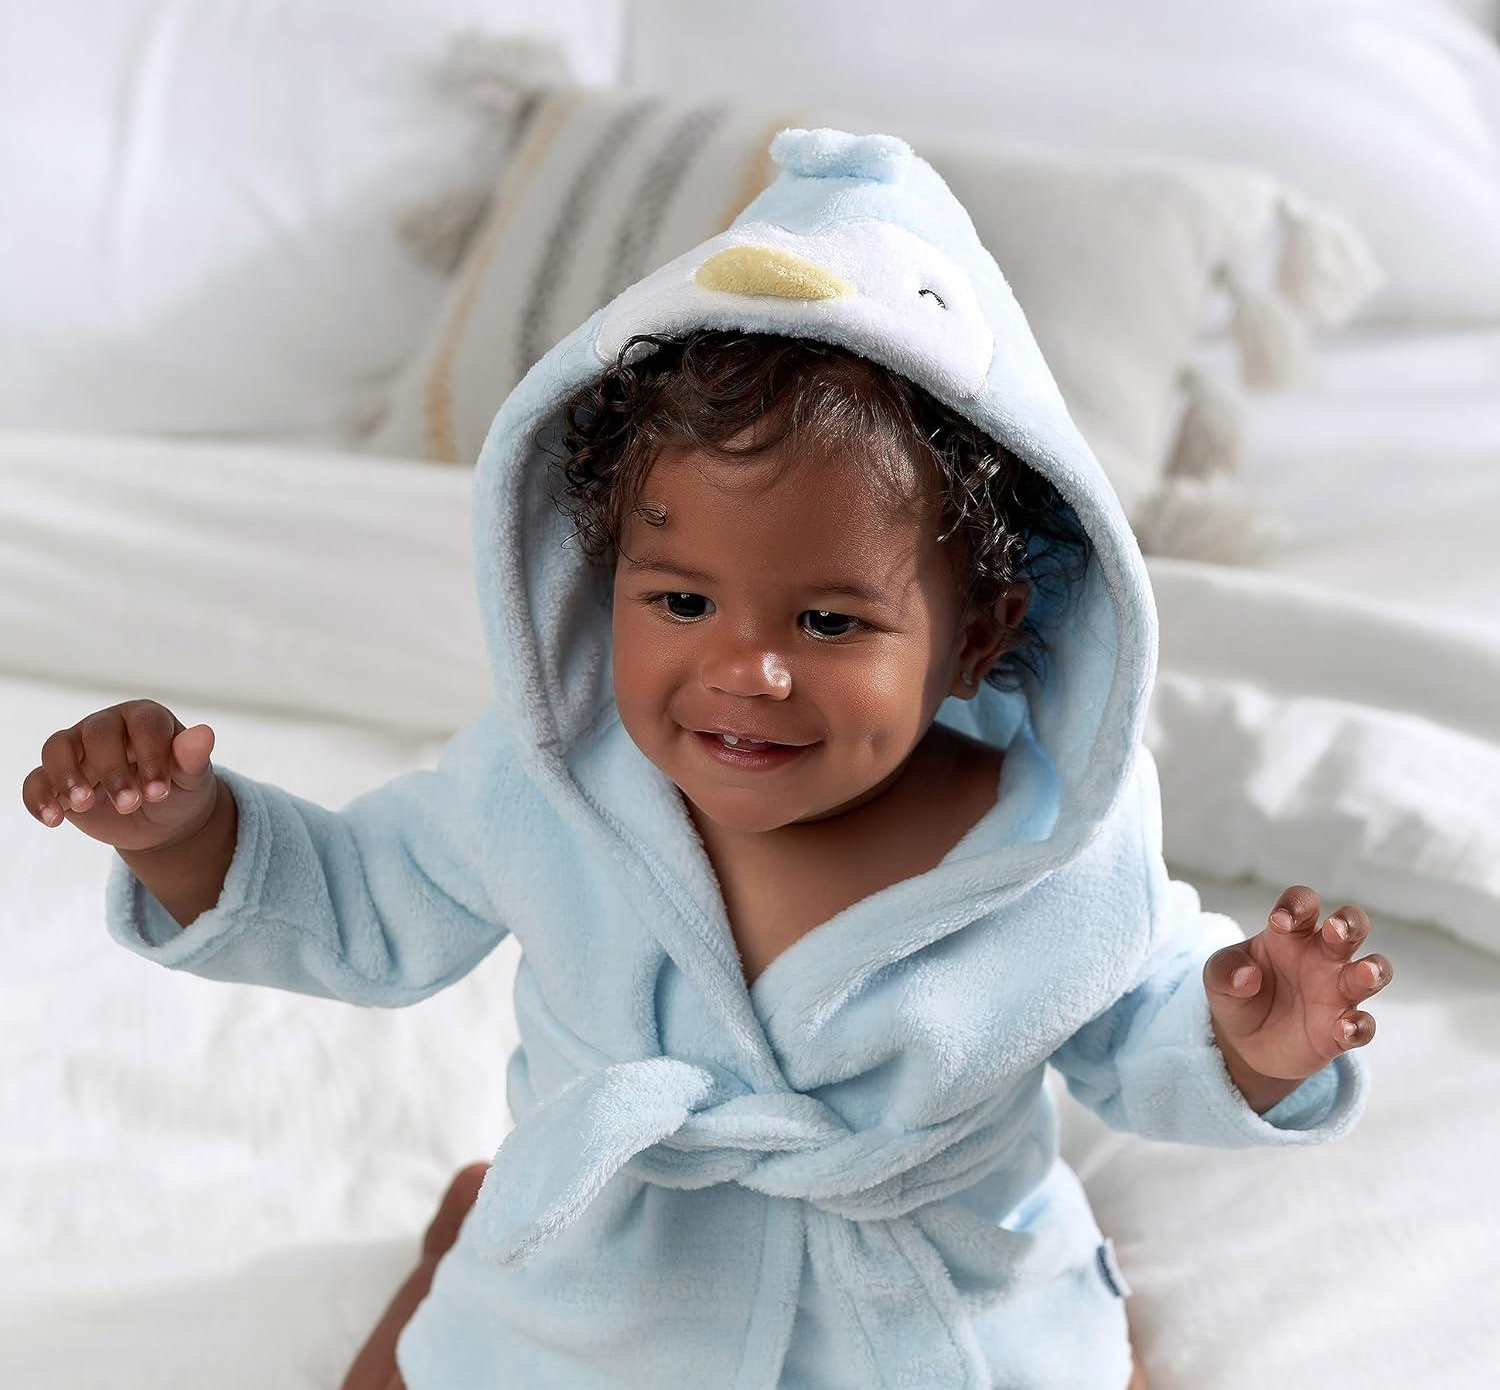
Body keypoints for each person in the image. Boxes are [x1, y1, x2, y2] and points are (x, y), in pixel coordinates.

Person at [23, 129, 1393, 1390]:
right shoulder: (551, 786)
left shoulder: (1050, 841)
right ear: (601, 580)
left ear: (979, 636)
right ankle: (470, 1237)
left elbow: (1141, 1025)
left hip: (926, 1320)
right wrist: (185, 834)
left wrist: (1252, 1042)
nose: (746, 669)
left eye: (830, 621)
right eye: (681, 601)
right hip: (603, 1307)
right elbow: (358, 906)